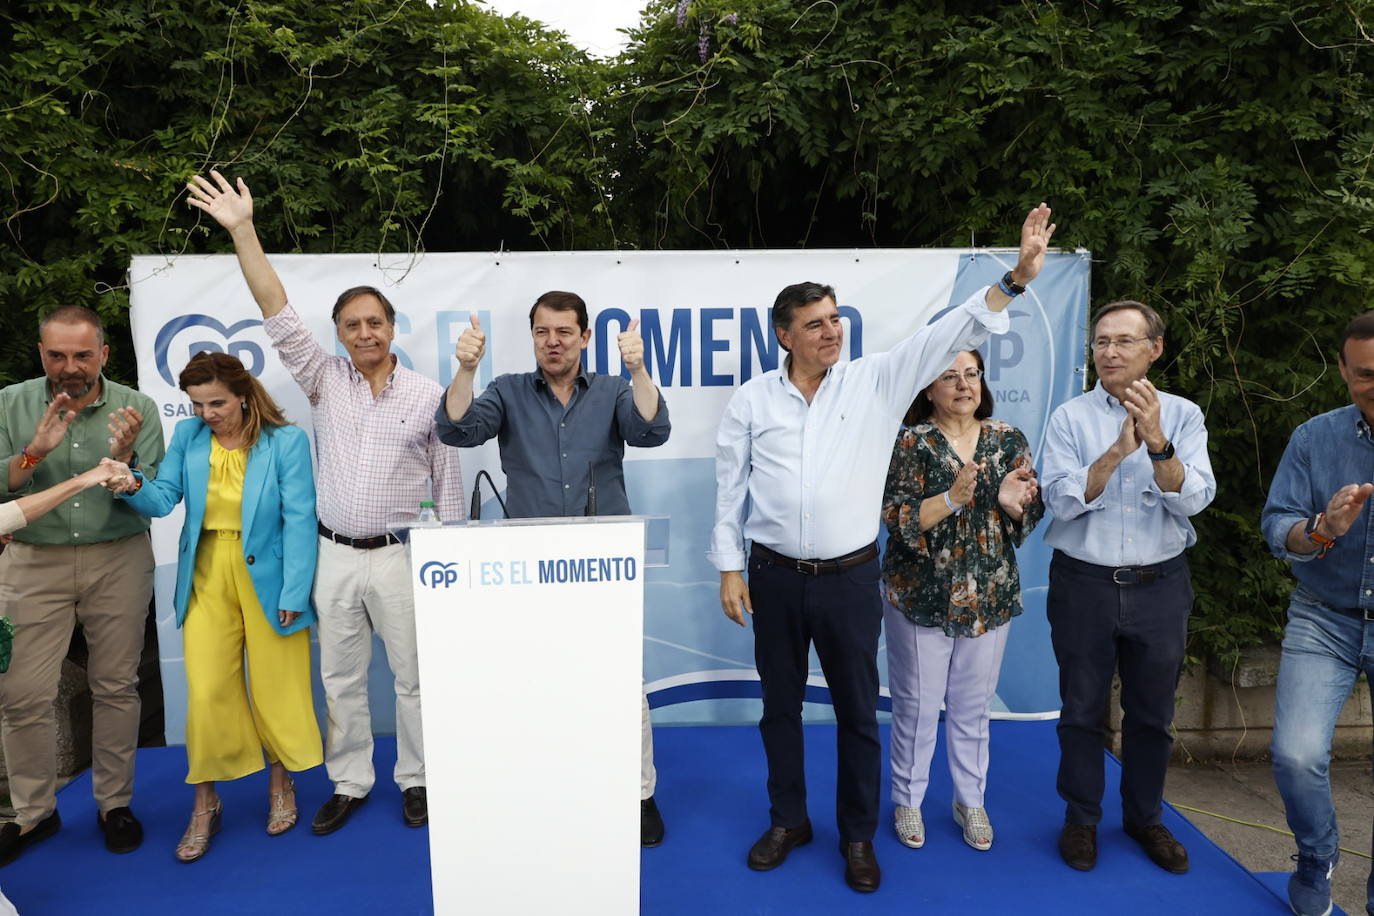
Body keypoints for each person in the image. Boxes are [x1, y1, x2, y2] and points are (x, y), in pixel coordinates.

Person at [710, 203, 1056, 893]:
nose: (831, 332)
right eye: (815, 325)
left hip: (847, 578)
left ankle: (859, 835)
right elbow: (730, 490)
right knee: (779, 707)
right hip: (773, 576)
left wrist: (1015, 280)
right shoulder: (753, 400)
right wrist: (728, 566)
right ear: (785, 335)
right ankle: (789, 820)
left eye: (835, 319)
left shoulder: (876, 380)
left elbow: (950, 330)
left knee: (855, 711)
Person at [186, 171, 464, 834]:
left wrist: (449, 563)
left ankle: (418, 778)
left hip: (403, 559)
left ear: (392, 328)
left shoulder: (430, 396)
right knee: (341, 681)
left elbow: (448, 484)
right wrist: (243, 230)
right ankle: (351, 780)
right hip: (334, 556)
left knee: (413, 680)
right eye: (351, 324)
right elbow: (276, 307)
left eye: (374, 322)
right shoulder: (322, 379)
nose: (363, 333)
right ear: (338, 334)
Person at [435, 290, 672, 846]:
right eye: (543, 332)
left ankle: (638, 793)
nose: (553, 342)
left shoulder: (614, 389)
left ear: (586, 338)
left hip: (603, 565)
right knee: (534, 679)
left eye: (565, 332)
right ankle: (547, 784)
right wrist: (466, 369)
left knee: (620, 684)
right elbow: (456, 429)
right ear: (533, 337)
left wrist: (637, 369)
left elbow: (651, 431)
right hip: (528, 568)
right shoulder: (507, 391)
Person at [111, 351, 322, 862]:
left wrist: (295, 593)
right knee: (205, 695)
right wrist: (131, 476)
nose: (207, 413)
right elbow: (162, 500)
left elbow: (300, 518)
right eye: (197, 404)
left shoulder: (285, 442)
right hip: (205, 573)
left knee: (276, 687)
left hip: (269, 580)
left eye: (217, 402)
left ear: (244, 396)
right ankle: (205, 803)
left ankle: (280, 785)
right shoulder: (189, 439)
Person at [1040, 300, 1215, 875]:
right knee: (1082, 710)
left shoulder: (1184, 415)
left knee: (1151, 714)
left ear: (1154, 349)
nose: (1108, 352)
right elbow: (1059, 500)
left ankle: (1145, 818)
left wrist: (1158, 442)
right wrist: (1118, 451)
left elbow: (1194, 498)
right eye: (1100, 343)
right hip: (1084, 584)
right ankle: (1081, 820)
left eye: (1122, 341)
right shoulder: (1070, 417)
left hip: (1159, 586)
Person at [0, 306, 165, 867]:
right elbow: (3, 485)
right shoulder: (11, 402)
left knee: (116, 685)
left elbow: (156, 492)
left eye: (82, 355)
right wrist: (35, 451)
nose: (69, 366)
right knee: (22, 695)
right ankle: (32, 814)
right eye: (57, 355)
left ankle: (114, 804)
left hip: (117, 558)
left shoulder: (138, 407)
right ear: (41, 353)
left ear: (104, 353)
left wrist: (125, 464)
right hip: (31, 562)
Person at [881, 349, 1042, 853]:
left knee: (973, 707)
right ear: (928, 388)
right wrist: (952, 497)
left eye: (971, 374)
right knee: (918, 704)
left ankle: (970, 800)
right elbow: (897, 517)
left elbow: (1027, 514)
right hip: (920, 594)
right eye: (949, 376)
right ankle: (908, 799)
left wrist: (1015, 504)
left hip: (989, 593)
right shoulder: (909, 442)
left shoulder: (1006, 438)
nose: (963, 384)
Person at [1262, 310, 1374, 916]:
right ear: (1342, 371)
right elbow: (1277, 525)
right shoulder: (1314, 438)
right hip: (1323, 615)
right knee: (1297, 754)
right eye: (1365, 374)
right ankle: (1315, 855)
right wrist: (1322, 529)